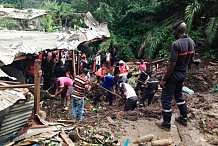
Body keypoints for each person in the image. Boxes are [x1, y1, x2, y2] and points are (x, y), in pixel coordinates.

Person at [156, 20, 195, 131]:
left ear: (177, 31)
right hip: (183, 74)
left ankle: (166, 123)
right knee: (178, 95)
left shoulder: (176, 44)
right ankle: (183, 117)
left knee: (166, 98)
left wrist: (164, 79)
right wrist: (187, 69)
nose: (173, 32)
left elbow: (172, 64)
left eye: (174, 30)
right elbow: (191, 59)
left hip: (174, 75)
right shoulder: (191, 42)